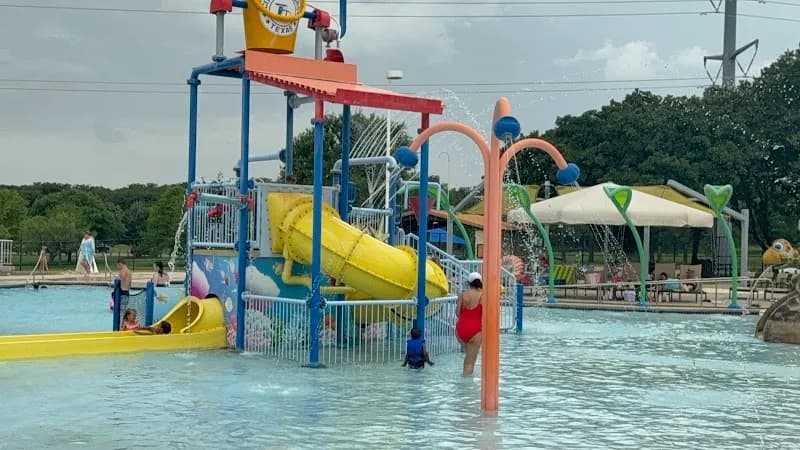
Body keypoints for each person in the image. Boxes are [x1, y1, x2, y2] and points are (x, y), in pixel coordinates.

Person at [456, 272, 483, 376]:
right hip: (475, 330)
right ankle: (466, 389)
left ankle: (464, 377)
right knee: (470, 362)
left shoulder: (462, 294)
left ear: (469, 282)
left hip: (460, 329)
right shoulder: (482, 296)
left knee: (467, 357)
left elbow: (458, 313)